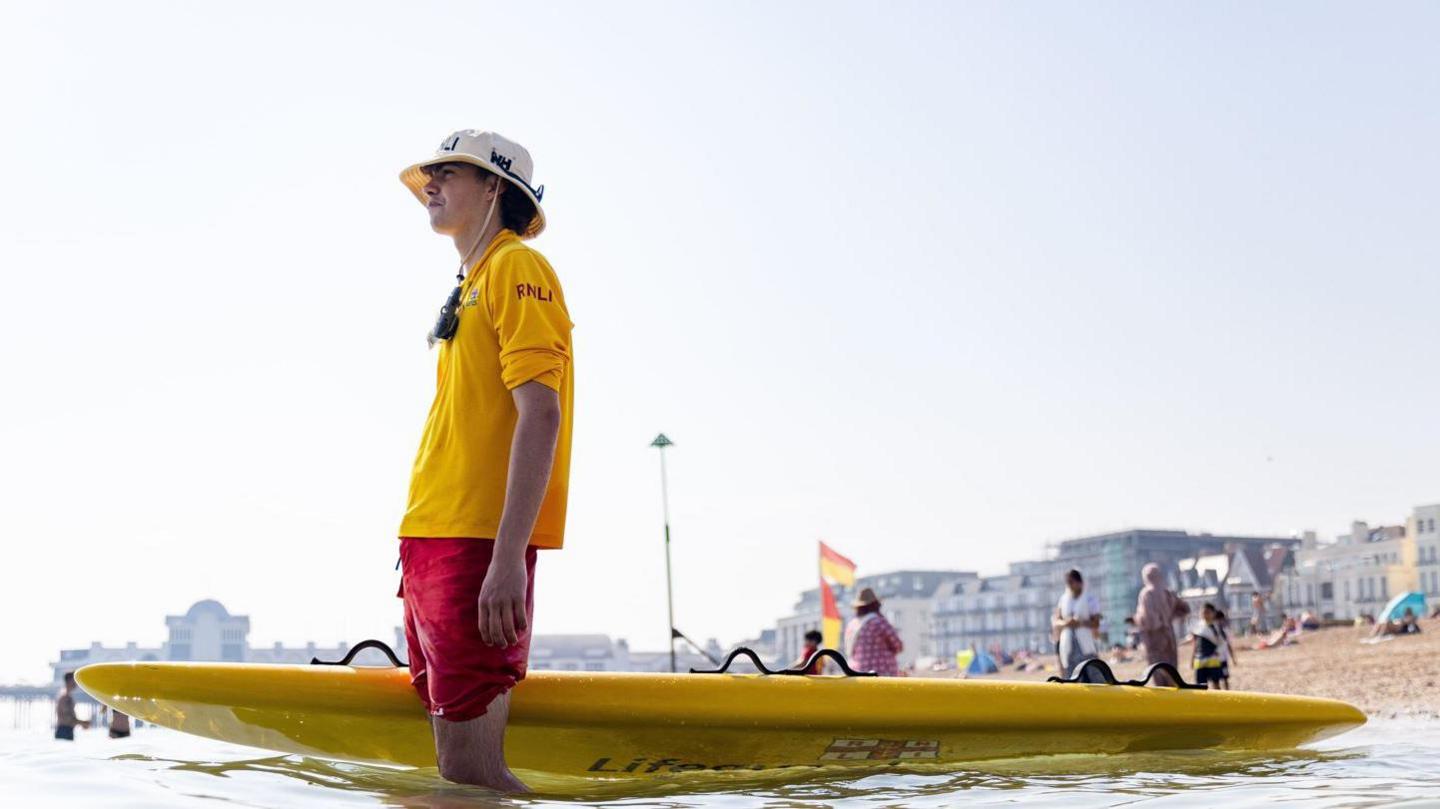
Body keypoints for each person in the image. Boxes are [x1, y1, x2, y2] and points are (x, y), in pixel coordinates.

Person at [395, 130, 572, 792]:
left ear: (495, 186)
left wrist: (506, 558)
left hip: (475, 543)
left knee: (472, 769)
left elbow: (541, 414)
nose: (430, 185)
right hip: (432, 537)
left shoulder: (518, 267)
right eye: (428, 176)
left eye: (448, 173)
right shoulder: (470, 282)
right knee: (453, 770)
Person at [1133, 563, 1190, 686]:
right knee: (1172, 671)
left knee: (1158, 672)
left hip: (1154, 640)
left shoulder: (1146, 594)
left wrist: (1137, 621)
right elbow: (1185, 609)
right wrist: (1170, 617)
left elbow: (1147, 621)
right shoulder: (1168, 593)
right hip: (1169, 637)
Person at [1053, 569, 1104, 681]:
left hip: (1086, 643)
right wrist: (1067, 623)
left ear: (1079, 582)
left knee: (1093, 674)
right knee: (1072, 677)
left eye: (1071, 582)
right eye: (1068, 583)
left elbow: (1096, 623)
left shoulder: (1090, 599)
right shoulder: (1064, 600)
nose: (1070, 585)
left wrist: (1080, 622)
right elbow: (1056, 621)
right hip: (1068, 644)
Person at [844, 588, 904, 676]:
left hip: (857, 673)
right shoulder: (878, 622)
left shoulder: (851, 625)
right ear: (875, 605)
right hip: (881, 673)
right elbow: (898, 645)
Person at [1188, 603, 1229, 690]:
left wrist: (1218, 653)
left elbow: (1223, 642)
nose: (1205, 614)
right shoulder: (1197, 627)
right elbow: (1195, 644)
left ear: (1213, 613)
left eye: (1208, 612)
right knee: (1200, 686)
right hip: (1199, 661)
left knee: (1216, 683)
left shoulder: (1216, 627)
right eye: (1203, 612)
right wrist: (1192, 659)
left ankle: (1218, 702)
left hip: (1213, 660)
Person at [54, 672, 89, 740]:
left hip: (66, 730)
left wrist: (81, 723)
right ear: (69, 681)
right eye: (74, 680)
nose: (76, 683)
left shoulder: (66, 695)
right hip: (64, 731)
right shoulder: (65, 697)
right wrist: (82, 723)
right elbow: (66, 718)